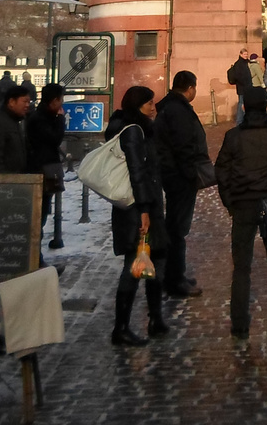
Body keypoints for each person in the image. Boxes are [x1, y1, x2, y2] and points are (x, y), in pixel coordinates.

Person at [215, 86, 267, 338]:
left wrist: (230, 201)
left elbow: (221, 171)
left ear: (244, 107)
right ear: (266, 105)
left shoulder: (233, 136)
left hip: (243, 204)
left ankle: (239, 325)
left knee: (241, 267)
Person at [104, 87, 168, 346]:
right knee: (135, 264)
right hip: (137, 209)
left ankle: (156, 318)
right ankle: (121, 327)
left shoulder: (138, 128)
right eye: (149, 103)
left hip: (145, 205)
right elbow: (137, 171)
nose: (154, 107)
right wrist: (144, 210)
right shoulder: (132, 131)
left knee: (154, 260)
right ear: (138, 105)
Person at [155, 70, 211, 298]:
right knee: (177, 229)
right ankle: (174, 279)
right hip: (179, 176)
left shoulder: (169, 107)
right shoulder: (179, 111)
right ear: (189, 88)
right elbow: (183, 145)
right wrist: (190, 174)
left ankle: (175, 275)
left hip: (173, 174)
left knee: (175, 228)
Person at [25, 83, 68, 248]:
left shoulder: (44, 116)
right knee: (39, 214)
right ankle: (35, 256)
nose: (62, 103)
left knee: (42, 212)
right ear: (54, 100)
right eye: (60, 99)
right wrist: (60, 119)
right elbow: (55, 139)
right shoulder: (40, 119)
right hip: (41, 169)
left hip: (46, 168)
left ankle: (37, 255)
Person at [227, 49, 254, 124]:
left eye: (246, 54)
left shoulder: (246, 63)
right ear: (241, 54)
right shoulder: (238, 64)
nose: (246, 56)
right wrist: (246, 83)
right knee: (241, 104)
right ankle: (239, 121)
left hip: (247, 87)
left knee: (245, 104)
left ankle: (245, 119)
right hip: (242, 88)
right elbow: (238, 77)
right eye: (244, 54)